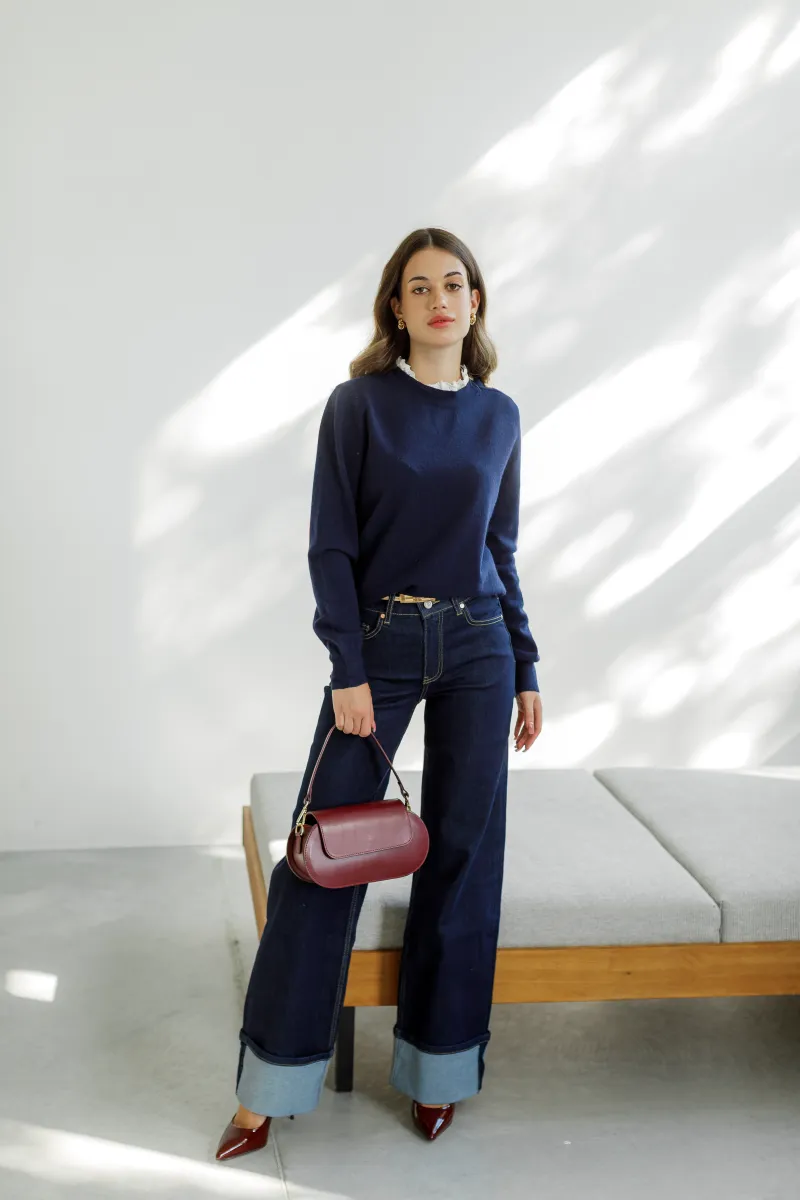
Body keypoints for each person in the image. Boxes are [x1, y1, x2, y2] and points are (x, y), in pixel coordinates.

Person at [216, 226, 543, 1161]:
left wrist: (525, 663)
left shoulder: (500, 416)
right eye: (420, 286)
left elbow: (501, 550)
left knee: (466, 859)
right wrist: (348, 668)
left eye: (455, 284)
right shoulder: (358, 406)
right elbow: (332, 545)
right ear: (395, 307)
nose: (440, 299)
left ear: (475, 302)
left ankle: (439, 1071)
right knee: (323, 859)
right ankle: (268, 1087)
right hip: (383, 644)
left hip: (479, 646)